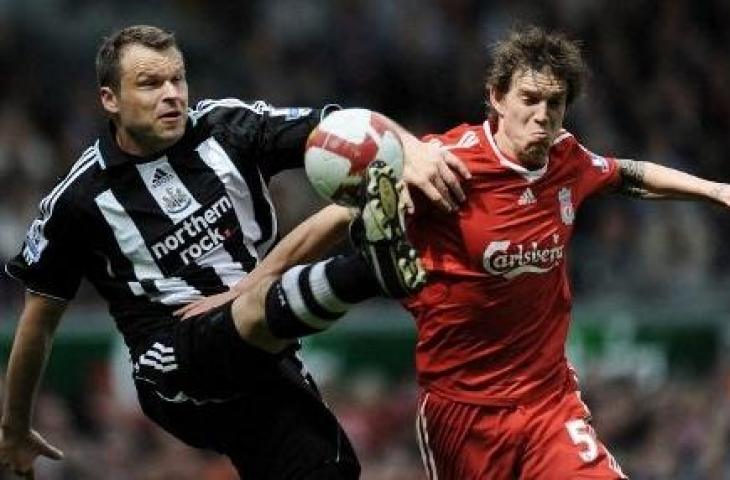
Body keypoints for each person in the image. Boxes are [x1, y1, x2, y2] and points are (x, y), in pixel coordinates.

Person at [200, 26, 730, 479]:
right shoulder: (445, 165)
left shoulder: (567, 158)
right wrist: (255, 282)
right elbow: (335, 218)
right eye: (529, 99)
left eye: (555, 103)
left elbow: (628, 175)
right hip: (462, 412)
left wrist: (715, 190)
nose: (543, 116)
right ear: (497, 97)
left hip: (549, 404)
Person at [0, 25, 470, 480]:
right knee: (249, 308)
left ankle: (370, 261)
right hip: (173, 358)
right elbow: (38, 323)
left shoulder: (226, 126)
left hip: (263, 350)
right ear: (110, 99)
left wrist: (415, 150)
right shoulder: (77, 199)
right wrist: (14, 428)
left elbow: (342, 126)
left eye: (177, 78)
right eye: (149, 84)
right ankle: (371, 269)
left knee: (330, 469)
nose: (171, 94)